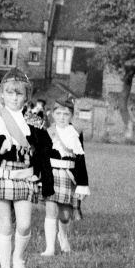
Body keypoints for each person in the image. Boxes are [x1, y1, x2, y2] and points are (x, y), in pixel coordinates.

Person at [0, 72, 55, 268]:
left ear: (26, 96)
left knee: (24, 225)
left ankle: (18, 259)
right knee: (4, 225)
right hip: (0, 175)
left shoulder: (35, 122)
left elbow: (44, 154)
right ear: (2, 95)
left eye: (19, 94)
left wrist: (47, 183)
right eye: (9, 93)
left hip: (25, 178)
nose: (14, 98)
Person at [43, 98, 91, 255]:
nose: (62, 117)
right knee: (50, 210)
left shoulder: (75, 134)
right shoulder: (48, 132)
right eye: (58, 113)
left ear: (71, 116)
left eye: (66, 114)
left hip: (68, 175)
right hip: (51, 174)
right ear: (52, 114)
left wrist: (83, 184)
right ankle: (50, 247)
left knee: (64, 215)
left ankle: (62, 235)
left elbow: (80, 159)